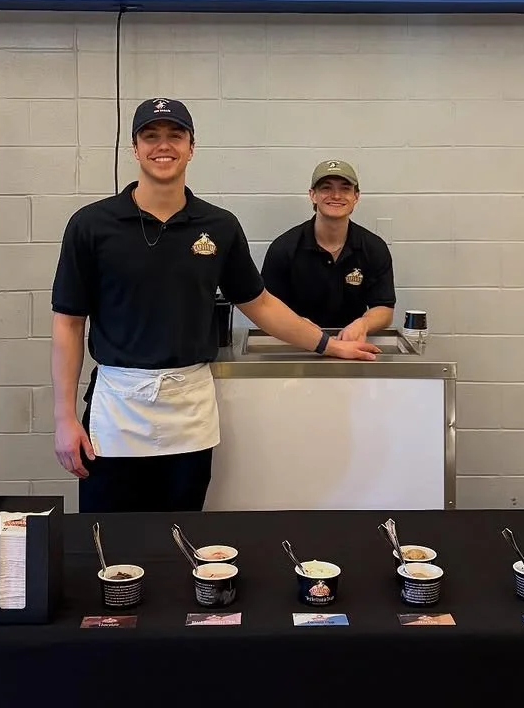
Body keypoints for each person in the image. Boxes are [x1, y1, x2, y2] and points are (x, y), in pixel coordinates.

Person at [50, 98, 380, 514]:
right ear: (134, 148)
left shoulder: (218, 226)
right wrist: (64, 417)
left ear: (191, 146)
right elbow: (68, 323)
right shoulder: (91, 224)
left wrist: (328, 345)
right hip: (117, 410)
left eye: (175, 136)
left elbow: (259, 303)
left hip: (189, 410)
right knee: (110, 544)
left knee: (183, 536)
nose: (162, 146)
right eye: (150, 136)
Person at [260, 159, 396, 343]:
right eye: (326, 188)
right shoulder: (284, 248)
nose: (336, 196)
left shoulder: (374, 248)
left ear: (356, 196)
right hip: (295, 346)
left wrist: (363, 324)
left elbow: (384, 308)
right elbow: (265, 308)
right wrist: (296, 324)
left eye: (345, 188)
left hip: (352, 346)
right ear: (312, 195)